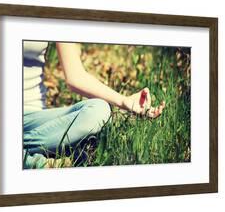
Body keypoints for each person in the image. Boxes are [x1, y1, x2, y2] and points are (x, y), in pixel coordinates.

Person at [23, 41, 165, 169]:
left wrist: (124, 101)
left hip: (34, 120)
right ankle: (33, 162)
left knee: (100, 110)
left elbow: (76, 76)